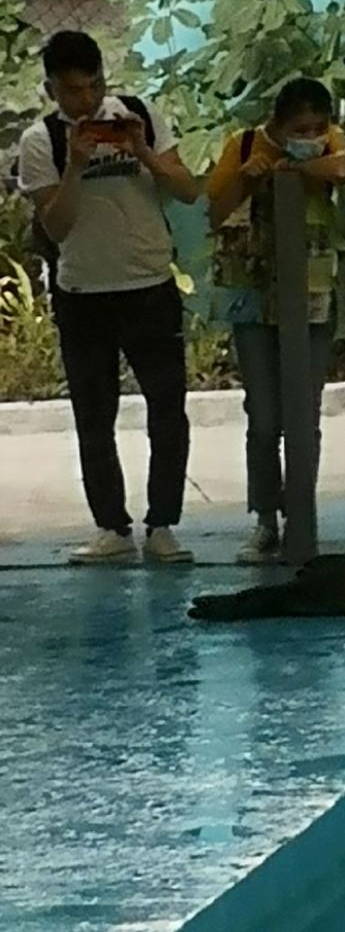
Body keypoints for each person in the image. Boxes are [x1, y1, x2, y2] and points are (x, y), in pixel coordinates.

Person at [17, 31, 198, 564]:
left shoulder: (139, 114)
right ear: (51, 90)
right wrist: (75, 164)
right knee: (94, 418)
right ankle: (111, 528)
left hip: (149, 284)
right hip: (83, 293)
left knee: (168, 409)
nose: (88, 100)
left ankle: (163, 524)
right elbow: (56, 225)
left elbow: (187, 190)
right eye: (74, 90)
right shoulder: (41, 141)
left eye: (95, 86)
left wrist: (142, 151)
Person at [205, 78, 345, 563]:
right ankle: (265, 517)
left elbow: (342, 168)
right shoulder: (244, 144)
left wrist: (298, 165)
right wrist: (248, 178)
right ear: (276, 122)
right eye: (298, 129)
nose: (310, 135)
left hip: (312, 292)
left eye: (317, 127)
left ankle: (301, 517)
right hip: (253, 295)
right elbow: (215, 209)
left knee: (304, 414)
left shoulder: (329, 143)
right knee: (265, 416)